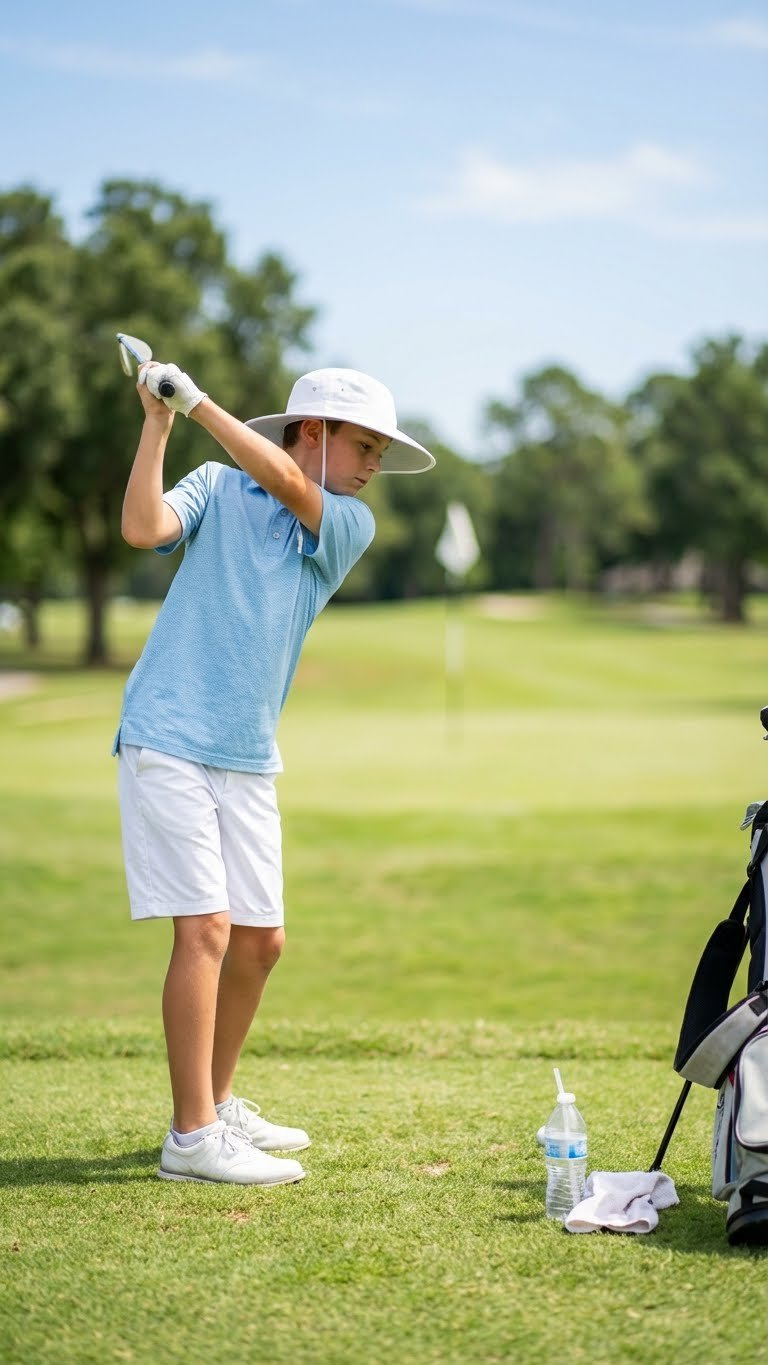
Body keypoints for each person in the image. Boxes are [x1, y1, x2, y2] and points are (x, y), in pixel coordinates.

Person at [114, 358, 435, 1185]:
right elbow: (144, 529)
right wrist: (159, 423)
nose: (373, 466)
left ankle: (216, 1104)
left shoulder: (344, 524)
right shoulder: (217, 485)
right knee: (208, 929)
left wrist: (196, 402)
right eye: (364, 445)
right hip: (169, 731)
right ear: (315, 428)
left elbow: (290, 479)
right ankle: (191, 1138)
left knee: (262, 941)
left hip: (247, 752)